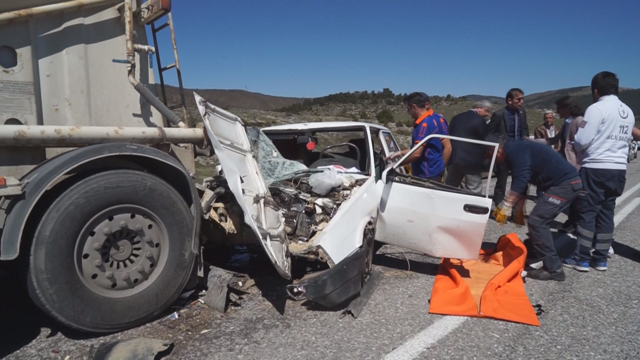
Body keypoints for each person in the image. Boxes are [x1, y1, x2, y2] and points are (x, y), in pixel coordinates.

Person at [563, 71, 635, 272]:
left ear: (595, 90)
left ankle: (581, 258)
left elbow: (583, 140)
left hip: (596, 167)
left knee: (587, 212)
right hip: (618, 169)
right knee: (606, 214)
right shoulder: (627, 111)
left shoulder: (596, 109)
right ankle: (601, 258)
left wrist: (574, 144)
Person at [490, 136, 582, 281]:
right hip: (563, 183)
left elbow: (521, 178)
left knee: (537, 221)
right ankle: (534, 250)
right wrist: (518, 209)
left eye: (491, 155)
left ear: (498, 149)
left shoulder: (515, 150)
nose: (492, 159)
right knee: (537, 220)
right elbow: (522, 181)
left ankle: (554, 269)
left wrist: (507, 205)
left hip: (565, 184)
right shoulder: (514, 151)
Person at [387, 92, 451, 181]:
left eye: (407, 109)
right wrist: (399, 153)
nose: (408, 112)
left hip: (425, 175)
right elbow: (448, 147)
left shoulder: (424, 124)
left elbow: (416, 154)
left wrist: (396, 165)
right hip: (436, 173)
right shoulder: (438, 118)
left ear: (414, 107)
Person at [487, 88, 529, 208]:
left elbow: (524, 129)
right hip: (504, 153)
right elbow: (490, 132)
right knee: (501, 183)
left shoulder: (522, 112)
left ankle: (516, 212)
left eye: (522, 99)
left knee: (520, 183)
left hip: (519, 153)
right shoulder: (499, 114)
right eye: (519, 99)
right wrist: (498, 145)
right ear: (509, 100)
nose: (521, 102)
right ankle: (499, 210)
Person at [445, 100, 491, 194]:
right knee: (474, 190)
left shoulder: (456, 118)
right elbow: (485, 139)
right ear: (479, 108)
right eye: (486, 111)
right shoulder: (479, 120)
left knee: (449, 188)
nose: (487, 114)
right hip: (471, 161)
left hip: (454, 158)